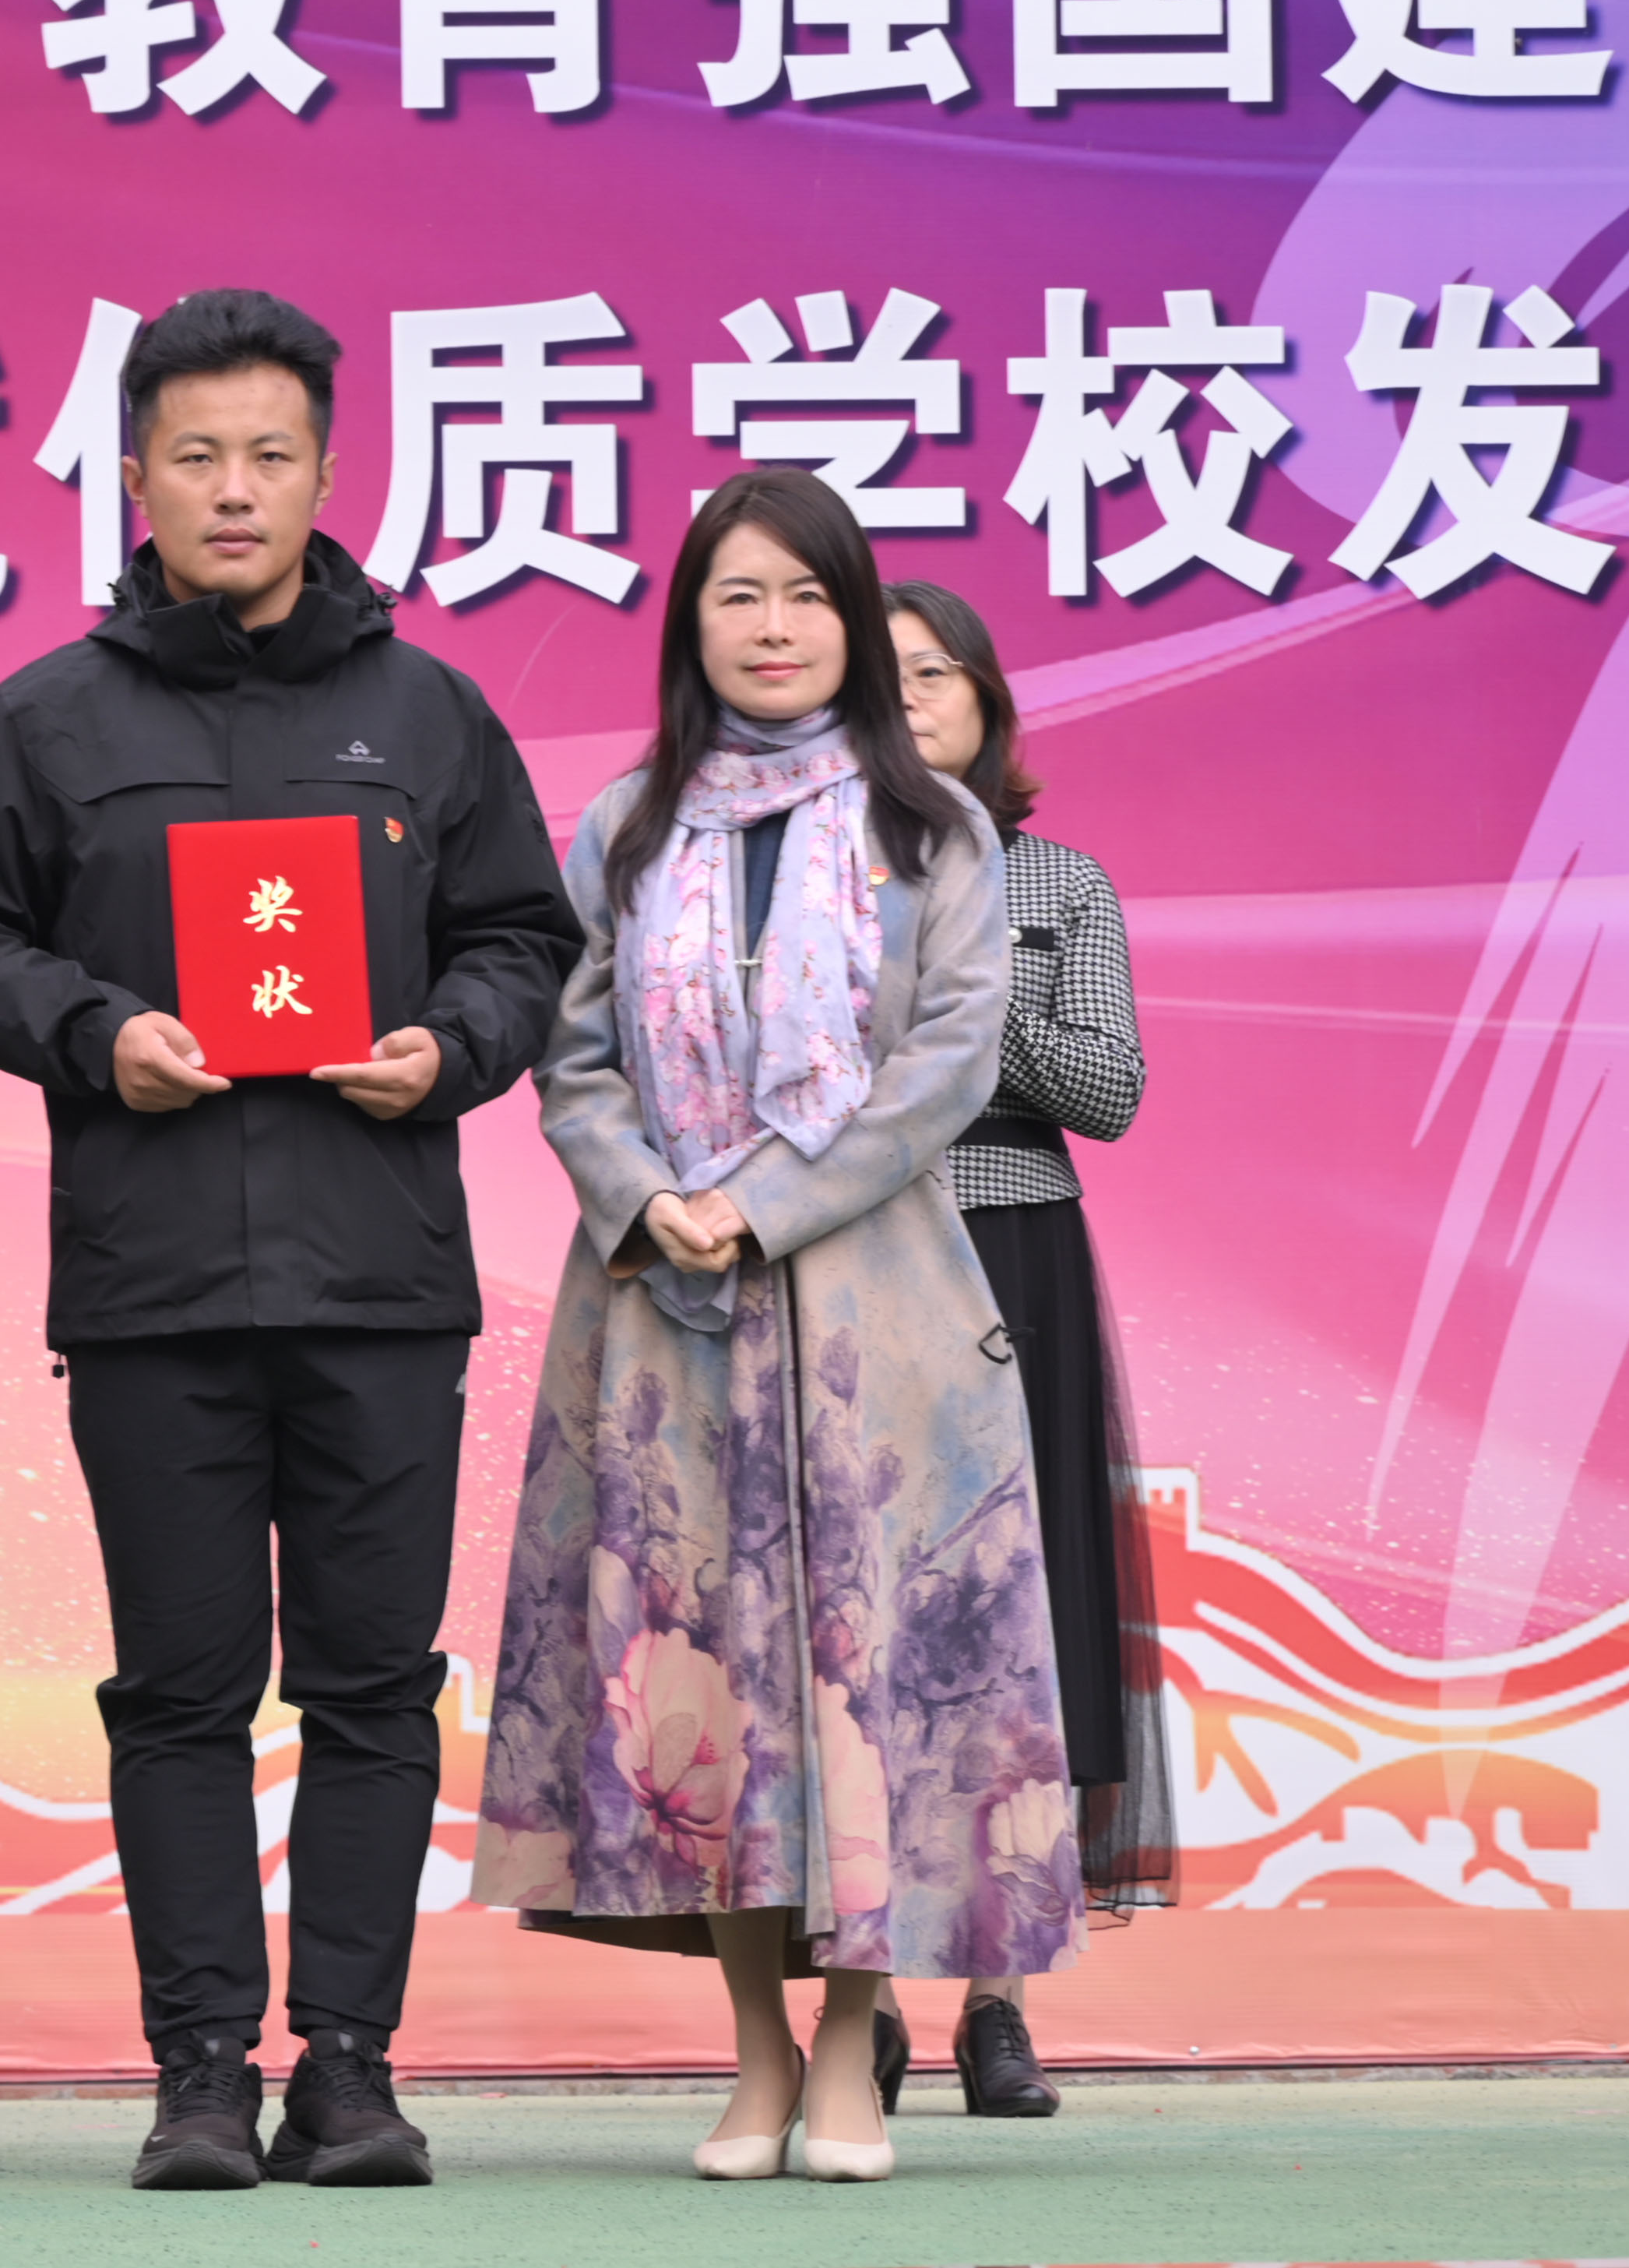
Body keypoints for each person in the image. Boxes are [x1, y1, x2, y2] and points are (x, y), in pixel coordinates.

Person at [0, 289, 579, 2192]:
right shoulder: (48, 717)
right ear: (133, 476)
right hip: (155, 1288)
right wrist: (91, 1031)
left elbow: (524, 937)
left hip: (380, 1282)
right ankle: (200, 2069)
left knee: (372, 1688)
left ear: (323, 475)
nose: (231, 489)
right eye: (193, 455)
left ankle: (347, 2069)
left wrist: (449, 1047)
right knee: (177, 1694)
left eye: (268, 455)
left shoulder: (426, 713)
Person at [473, 467, 1081, 2185]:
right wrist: (643, 1193)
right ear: (691, 624)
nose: (772, 627)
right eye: (736, 595)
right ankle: (752, 2054)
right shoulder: (625, 825)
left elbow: (948, 1061)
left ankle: (848, 2050)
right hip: (665, 1316)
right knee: (707, 1701)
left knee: (863, 1683)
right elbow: (573, 1055)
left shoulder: (932, 829)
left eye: (806, 597)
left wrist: (765, 1199)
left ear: (852, 622)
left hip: (876, 1319)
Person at [868, 578, 1170, 2123]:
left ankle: (999, 2003)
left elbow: (1107, 1089)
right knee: (863, 1629)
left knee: (1021, 1627)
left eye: (936, 672)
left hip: (1013, 1252)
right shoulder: (807, 877)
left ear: (986, 701)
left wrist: (967, 1007)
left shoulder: (1058, 881)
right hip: (853, 1253)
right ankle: (854, 1996)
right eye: (882, 675)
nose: (910, 697)